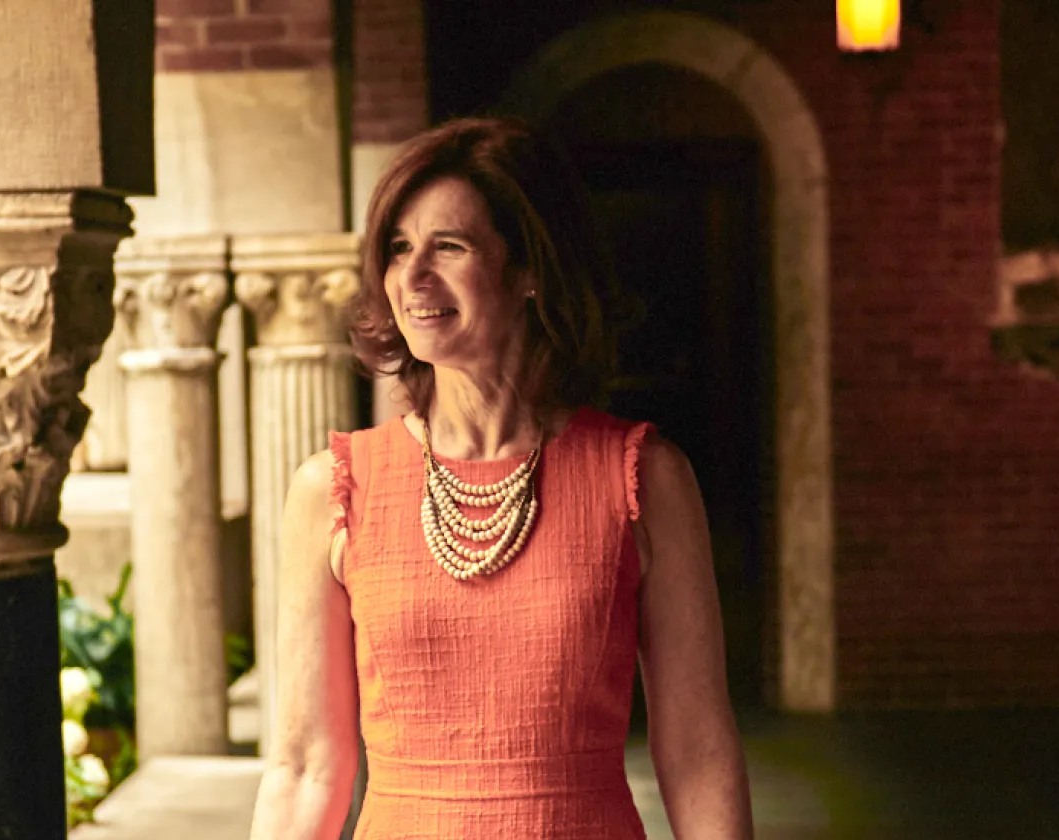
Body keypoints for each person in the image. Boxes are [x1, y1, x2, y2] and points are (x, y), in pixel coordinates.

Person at [249, 116, 753, 840]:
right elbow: (304, 768)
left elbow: (698, 752)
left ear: (529, 271)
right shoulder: (334, 489)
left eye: (447, 247)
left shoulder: (643, 478)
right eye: (397, 248)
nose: (412, 277)